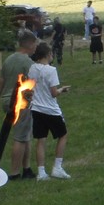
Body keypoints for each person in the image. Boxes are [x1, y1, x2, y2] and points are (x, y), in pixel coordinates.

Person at [0, 29, 38, 179]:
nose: (35, 48)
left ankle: (27, 169)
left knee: (25, 135)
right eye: (35, 44)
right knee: (20, 138)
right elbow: (33, 85)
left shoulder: (9, 59)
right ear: (30, 44)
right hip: (21, 103)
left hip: (7, 101)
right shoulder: (28, 62)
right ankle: (14, 173)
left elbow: (1, 82)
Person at [27, 40, 72, 180]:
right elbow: (53, 93)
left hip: (36, 108)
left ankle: (41, 172)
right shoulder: (51, 70)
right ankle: (57, 167)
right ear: (47, 54)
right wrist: (62, 90)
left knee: (41, 139)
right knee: (63, 135)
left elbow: (30, 87)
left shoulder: (32, 68)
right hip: (51, 109)